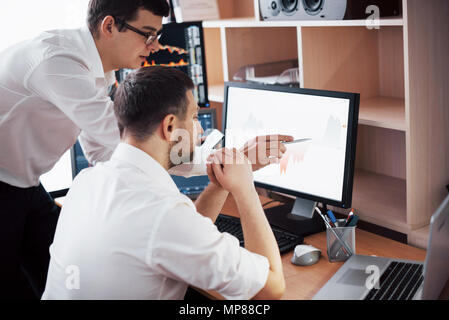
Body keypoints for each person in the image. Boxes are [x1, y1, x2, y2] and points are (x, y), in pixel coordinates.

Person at [42, 66, 288, 300]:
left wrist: (220, 184)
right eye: (194, 118)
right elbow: (270, 289)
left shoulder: (87, 181)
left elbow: (181, 238)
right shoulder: (164, 213)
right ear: (170, 126)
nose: (201, 131)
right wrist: (245, 188)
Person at [0, 0, 170, 299]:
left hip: (23, 181)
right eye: (147, 34)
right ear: (109, 26)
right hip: (4, 185)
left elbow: (100, 149)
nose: (154, 46)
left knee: (62, 276)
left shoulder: (97, 68)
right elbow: (122, 136)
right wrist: (203, 161)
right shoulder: (58, 61)